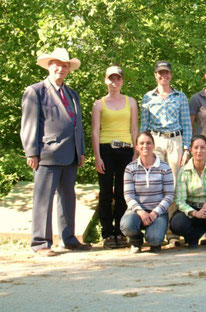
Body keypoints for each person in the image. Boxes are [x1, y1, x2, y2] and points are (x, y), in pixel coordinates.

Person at [20, 47, 91, 256]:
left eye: (65, 65)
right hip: (46, 154)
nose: (61, 68)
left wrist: (82, 150)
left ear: (69, 69)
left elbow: (77, 124)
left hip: (71, 154)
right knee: (43, 199)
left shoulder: (72, 94)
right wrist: (31, 152)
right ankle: (41, 243)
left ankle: (69, 239)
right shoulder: (35, 91)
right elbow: (29, 125)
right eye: (57, 64)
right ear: (49, 66)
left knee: (68, 198)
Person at [91, 66, 138, 249]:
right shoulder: (99, 104)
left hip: (126, 149)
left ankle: (120, 231)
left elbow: (134, 128)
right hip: (105, 150)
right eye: (111, 78)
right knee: (105, 193)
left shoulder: (131, 102)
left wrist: (136, 152)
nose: (114, 82)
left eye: (117, 79)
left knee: (122, 192)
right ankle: (107, 233)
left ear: (122, 81)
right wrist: (97, 157)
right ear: (105, 80)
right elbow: (95, 131)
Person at [120, 132, 174, 253]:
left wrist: (155, 212)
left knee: (154, 239)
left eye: (149, 143)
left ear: (154, 145)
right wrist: (140, 212)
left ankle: (154, 239)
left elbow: (169, 195)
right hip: (136, 211)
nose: (145, 146)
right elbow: (128, 195)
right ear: (137, 147)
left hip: (158, 212)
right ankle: (136, 240)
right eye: (142, 143)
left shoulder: (165, 167)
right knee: (126, 225)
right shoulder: (130, 168)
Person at [140, 60, 192, 183]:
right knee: (155, 178)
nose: (164, 76)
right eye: (160, 73)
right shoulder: (148, 97)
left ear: (171, 75)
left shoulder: (180, 96)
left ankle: (174, 203)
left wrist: (186, 149)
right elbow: (144, 126)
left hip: (175, 141)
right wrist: (142, 147)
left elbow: (186, 124)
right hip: (155, 140)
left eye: (166, 72)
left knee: (175, 180)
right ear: (155, 75)